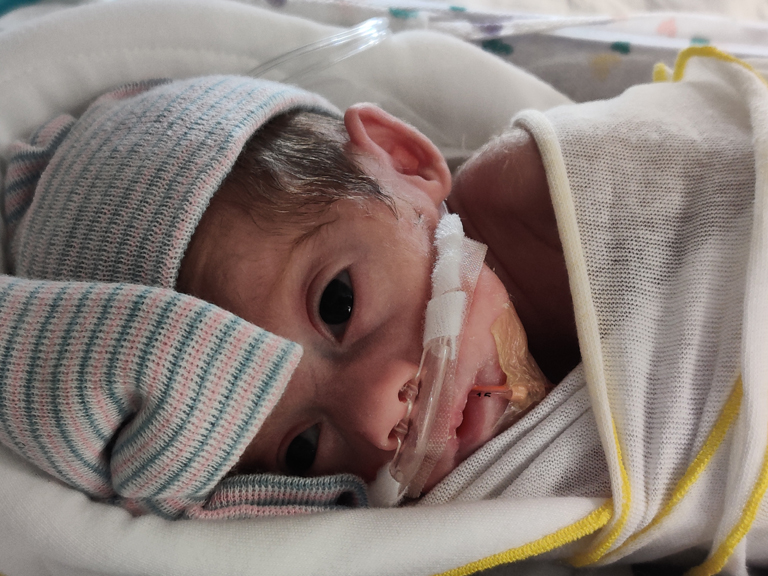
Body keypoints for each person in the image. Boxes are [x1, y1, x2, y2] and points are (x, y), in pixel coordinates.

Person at [1, 48, 767, 568]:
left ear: (403, 160)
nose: (375, 419)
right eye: (302, 449)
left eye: (337, 302)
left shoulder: (531, 198)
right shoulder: (444, 514)